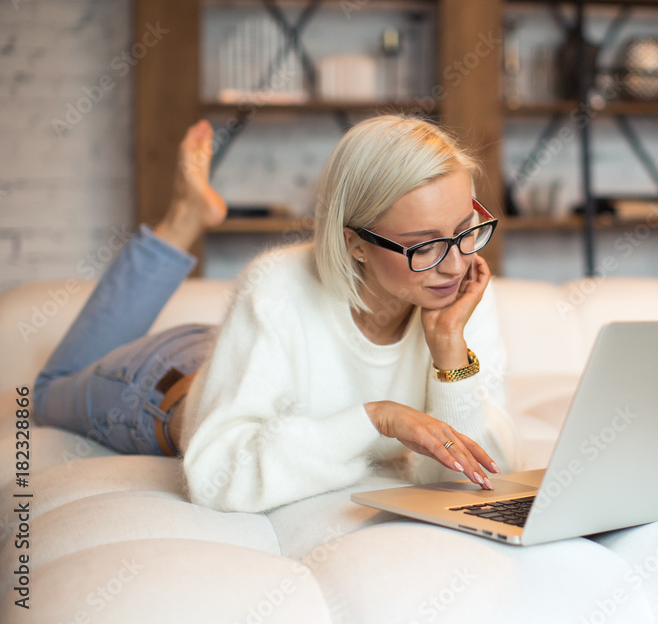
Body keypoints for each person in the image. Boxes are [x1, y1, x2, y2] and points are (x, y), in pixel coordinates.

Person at [34, 114, 521, 513]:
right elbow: (217, 479)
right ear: (354, 243)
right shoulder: (275, 290)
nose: (457, 263)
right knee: (46, 391)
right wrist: (377, 420)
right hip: (162, 386)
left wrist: (449, 353)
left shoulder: (457, 292)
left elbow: (480, 473)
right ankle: (183, 219)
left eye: (465, 230)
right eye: (426, 245)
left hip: (237, 352)